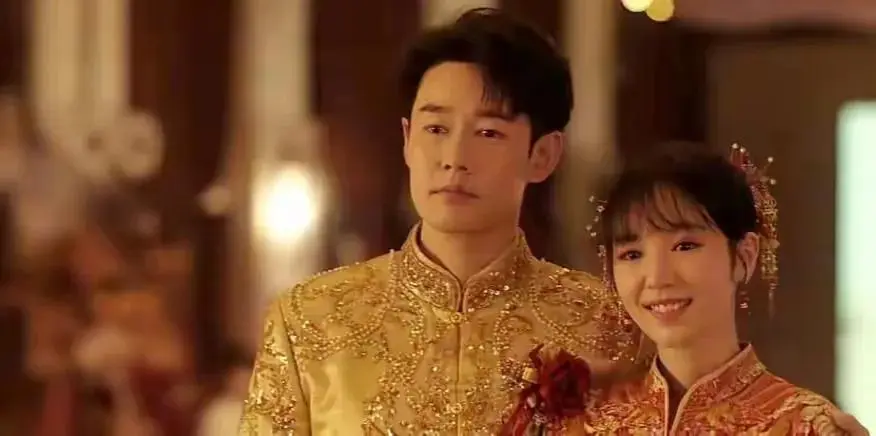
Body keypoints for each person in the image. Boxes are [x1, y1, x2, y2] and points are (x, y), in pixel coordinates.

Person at [239, 8, 641, 435]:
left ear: (542, 155)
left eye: (488, 133)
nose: (454, 158)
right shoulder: (309, 320)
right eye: (436, 129)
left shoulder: (607, 325)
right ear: (407, 139)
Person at [506, 142, 865, 434]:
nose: (657, 277)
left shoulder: (804, 425)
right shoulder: (577, 422)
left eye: (685, 246)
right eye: (632, 254)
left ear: (744, 256)